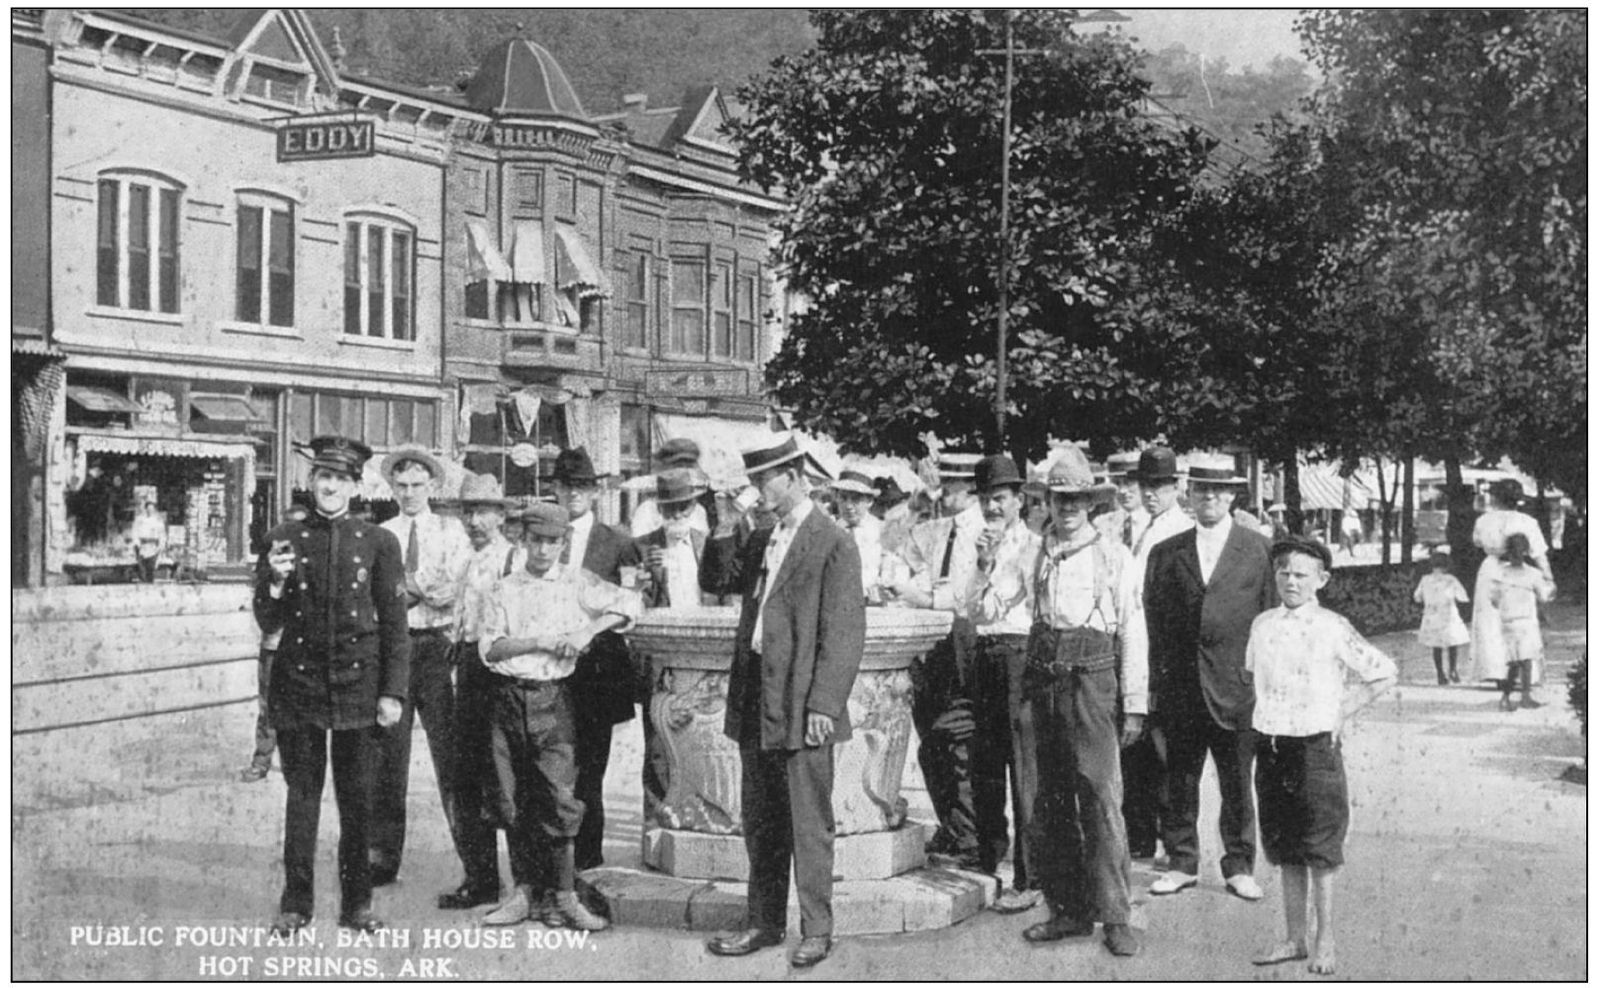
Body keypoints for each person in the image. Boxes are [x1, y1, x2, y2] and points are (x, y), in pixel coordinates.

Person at [701, 434, 866, 969]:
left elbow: (844, 635)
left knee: (808, 821)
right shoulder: (761, 537)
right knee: (762, 819)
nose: (755, 492)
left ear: (793, 477)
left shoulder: (832, 541)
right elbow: (717, 580)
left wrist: (824, 705)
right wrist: (725, 519)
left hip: (801, 702)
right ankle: (763, 921)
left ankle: (817, 928)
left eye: (761, 481)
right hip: (757, 696)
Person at [254, 435, 410, 935]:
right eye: (323, 477)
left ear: (355, 485)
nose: (330, 486)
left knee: (357, 802)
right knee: (302, 800)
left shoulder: (380, 542)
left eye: (341, 479)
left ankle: (357, 905)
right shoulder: (283, 538)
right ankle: (296, 904)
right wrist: (274, 583)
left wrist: (393, 692)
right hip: (300, 688)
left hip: (358, 688)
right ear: (311, 481)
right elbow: (267, 619)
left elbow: (395, 625)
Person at [478, 503, 643, 931]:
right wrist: (542, 641)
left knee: (560, 797)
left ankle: (565, 897)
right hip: (507, 699)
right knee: (511, 798)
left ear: (563, 544)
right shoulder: (503, 588)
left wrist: (584, 631)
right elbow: (491, 648)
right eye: (536, 540)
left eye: (553, 542)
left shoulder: (577, 582)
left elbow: (629, 603)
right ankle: (523, 893)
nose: (544, 550)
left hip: (555, 701)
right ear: (523, 541)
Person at [1246, 535, 1398, 976]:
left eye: (1301, 574)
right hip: (1271, 744)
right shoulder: (1262, 625)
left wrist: (1341, 712)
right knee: (1284, 846)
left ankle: (1324, 940)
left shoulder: (1333, 626)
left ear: (1322, 579)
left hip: (1314, 749)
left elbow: (1383, 671)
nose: (1291, 581)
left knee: (1320, 848)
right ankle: (1293, 938)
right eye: (1284, 572)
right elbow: (1256, 679)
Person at [1016, 448, 1147, 957]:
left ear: (1092, 503)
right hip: (1042, 677)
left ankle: (1115, 915)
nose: (1067, 506)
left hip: (1093, 678)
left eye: (1076, 499)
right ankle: (1067, 909)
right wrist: (983, 566)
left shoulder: (1114, 556)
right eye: (1058, 497)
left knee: (1099, 797)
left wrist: (1134, 702)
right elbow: (989, 604)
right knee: (1047, 799)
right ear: (1046, 500)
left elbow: (1134, 631)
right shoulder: (1035, 551)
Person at [1145, 452, 1276, 901]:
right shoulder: (1166, 553)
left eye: (1219, 490)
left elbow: (1270, 621)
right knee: (1178, 778)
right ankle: (1182, 862)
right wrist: (1156, 685)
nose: (1210, 497)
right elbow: (1154, 623)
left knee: (1237, 780)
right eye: (1201, 489)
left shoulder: (1258, 549)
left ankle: (1239, 865)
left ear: (1233, 494)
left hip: (1237, 688)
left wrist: (1263, 685)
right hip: (1181, 686)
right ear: (1190, 494)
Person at [371, 447, 473, 888]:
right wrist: (418, 587)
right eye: (402, 486)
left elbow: (452, 587)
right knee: (387, 760)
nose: (410, 493)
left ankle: (475, 863)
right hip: (393, 648)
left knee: (451, 759)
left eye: (418, 485)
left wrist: (405, 588)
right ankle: (381, 858)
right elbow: (377, 597)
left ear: (433, 486)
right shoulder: (380, 534)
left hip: (438, 647)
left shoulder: (452, 531)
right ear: (391, 488)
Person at [884, 451, 984, 866]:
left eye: (954, 487)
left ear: (971, 489)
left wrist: (913, 595)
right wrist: (915, 505)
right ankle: (952, 828)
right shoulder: (934, 527)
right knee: (931, 742)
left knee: (957, 740)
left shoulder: (980, 530)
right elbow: (891, 545)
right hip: (930, 644)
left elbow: (960, 594)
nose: (946, 494)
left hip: (962, 639)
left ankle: (971, 835)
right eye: (942, 486)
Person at [550, 446, 642, 871]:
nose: (574, 494)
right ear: (555, 488)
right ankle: (552, 865)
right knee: (549, 766)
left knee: (590, 770)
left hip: (597, 669)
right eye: (567, 485)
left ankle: (588, 864)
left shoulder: (618, 542)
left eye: (583, 486)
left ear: (595, 491)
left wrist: (590, 629)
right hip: (547, 666)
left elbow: (630, 604)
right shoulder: (540, 535)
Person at [959, 454, 1043, 914]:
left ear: (1018, 500)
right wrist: (983, 563)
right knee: (985, 761)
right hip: (985, 655)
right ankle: (989, 858)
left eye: (1001, 498)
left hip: (1020, 654)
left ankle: (1031, 876)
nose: (993, 506)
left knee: (1023, 766)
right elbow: (973, 608)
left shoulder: (1034, 545)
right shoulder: (978, 544)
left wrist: (993, 568)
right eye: (987, 498)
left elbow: (1016, 603)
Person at [439, 473, 525, 912]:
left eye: (484, 512)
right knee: (466, 780)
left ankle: (527, 885)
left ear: (501, 515)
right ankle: (481, 879)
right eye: (468, 512)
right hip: (468, 669)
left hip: (502, 674)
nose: (475, 520)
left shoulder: (514, 559)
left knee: (505, 781)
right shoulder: (468, 561)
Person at [633, 467, 717, 828]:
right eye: (670, 510)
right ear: (660, 511)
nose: (677, 517)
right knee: (657, 741)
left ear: (694, 506)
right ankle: (656, 818)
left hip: (703, 651)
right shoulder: (643, 547)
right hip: (661, 655)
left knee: (704, 734)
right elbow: (635, 603)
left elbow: (719, 591)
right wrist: (646, 578)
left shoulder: (706, 543)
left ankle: (700, 811)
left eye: (683, 508)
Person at [1122, 445, 1193, 863]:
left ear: (1176, 487)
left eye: (1160, 486)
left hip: (1165, 649)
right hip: (1135, 644)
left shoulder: (1182, 531)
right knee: (1136, 749)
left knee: (1168, 751)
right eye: (1146, 485)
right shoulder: (1135, 529)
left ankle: (1172, 837)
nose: (1151, 494)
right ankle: (1140, 833)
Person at [241, 495, 314, 784]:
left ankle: (299, 761)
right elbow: (263, 606)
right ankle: (262, 759)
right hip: (275, 644)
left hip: (306, 646)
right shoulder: (271, 565)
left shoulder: (313, 564)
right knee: (269, 706)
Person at [1469, 480, 1552, 687]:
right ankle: (1523, 673)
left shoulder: (1483, 520)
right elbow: (1539, 553)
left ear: (1495, 498)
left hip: (1491, 569)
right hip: (1518, 570)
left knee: (1489, 621)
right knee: (1520, 619)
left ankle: (1496, 671)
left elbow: (1477, 542)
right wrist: (1548, 577)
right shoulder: (1527, 521)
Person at [1491, 532, 1555, 711]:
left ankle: (1505, 697)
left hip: (1507, 621)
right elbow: (1543, 596)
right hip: (1526, 620)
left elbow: (1494, 600)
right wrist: (1550, 591)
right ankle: (1525, 696)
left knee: (1513, 661)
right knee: (1526, 660)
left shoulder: (1500, 573)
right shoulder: (1533, 574)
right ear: (1526, 552)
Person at [629, 438, 711, 537]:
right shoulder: (647, 511)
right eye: (679, 466)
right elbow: (641, 547)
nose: (684, 472)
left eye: (689, 466)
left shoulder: (698, 511)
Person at [1413, 549, 1470, 685]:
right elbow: (1462, 597)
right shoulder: (1451, 579)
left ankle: (1440, 673)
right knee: (1452, 644)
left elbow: (1417, 597)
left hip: (1432, 616)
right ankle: (1453, 670)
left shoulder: (1425, 579)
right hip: (1448, 615)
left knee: (1436, 646)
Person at [832, 470, 885, 599]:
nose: (848, 506)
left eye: (856, 500)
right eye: (843, 498)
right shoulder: (828, 530)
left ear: (869, 501)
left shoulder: (881, 531)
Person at [1095, 452, 1148, 551]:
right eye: (1117, 483)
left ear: (1144, 483)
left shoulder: (1156, 523)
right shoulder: (1102, 524)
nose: (1122, 490)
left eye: (1129, 483)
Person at [131, 499, 166, 582]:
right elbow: (135, 532)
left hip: (153, 547)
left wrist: (161, 546)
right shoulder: (140, 520)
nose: (150, 511)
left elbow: (162, 535)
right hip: (142, 547)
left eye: (152, 509)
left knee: (151, 569)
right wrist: (136, 543)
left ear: (154, 510)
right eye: (148, 509)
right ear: (145, 509)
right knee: (142, 570)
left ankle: (150, 586)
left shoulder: (158, 521)